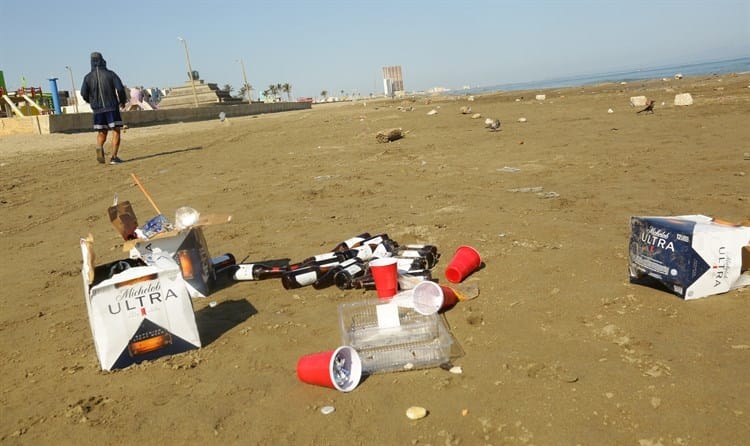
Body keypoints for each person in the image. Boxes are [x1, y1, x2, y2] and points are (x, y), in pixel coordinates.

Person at [80, 52, 127, 164]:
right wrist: (122, 101)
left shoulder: (87, 77)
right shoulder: (110, 74)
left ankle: (99, 146)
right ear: (102, 60)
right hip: (111, 107)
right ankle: (114, 158)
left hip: (97, 109)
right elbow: (120, 88)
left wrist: (90, 101)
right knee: (116, 131)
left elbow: (83, 93)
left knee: (102, 132)